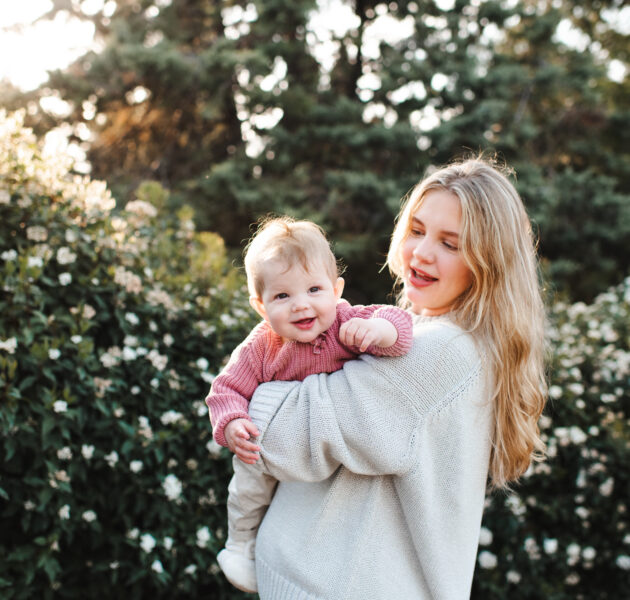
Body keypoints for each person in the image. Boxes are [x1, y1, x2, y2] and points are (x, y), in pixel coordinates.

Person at [244, 157, 548, 599]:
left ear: (489, 264)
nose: (422, 253)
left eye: (451, 243)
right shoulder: (447, 341)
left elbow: (277, 439)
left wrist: (258, 389)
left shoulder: (441, 351)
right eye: (418, 230)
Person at [205, 217, 414, 593]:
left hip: (327, 451)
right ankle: (240, 543)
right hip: (265, 446)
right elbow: (225, 389)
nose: (301, 305)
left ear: (336, 291)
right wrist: (233, 423)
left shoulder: (347, 323)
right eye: (282, 296)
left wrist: (381, 332)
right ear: (260, 305)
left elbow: (400, 322)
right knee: (247, 487)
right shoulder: (261, 346)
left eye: (314, 289)